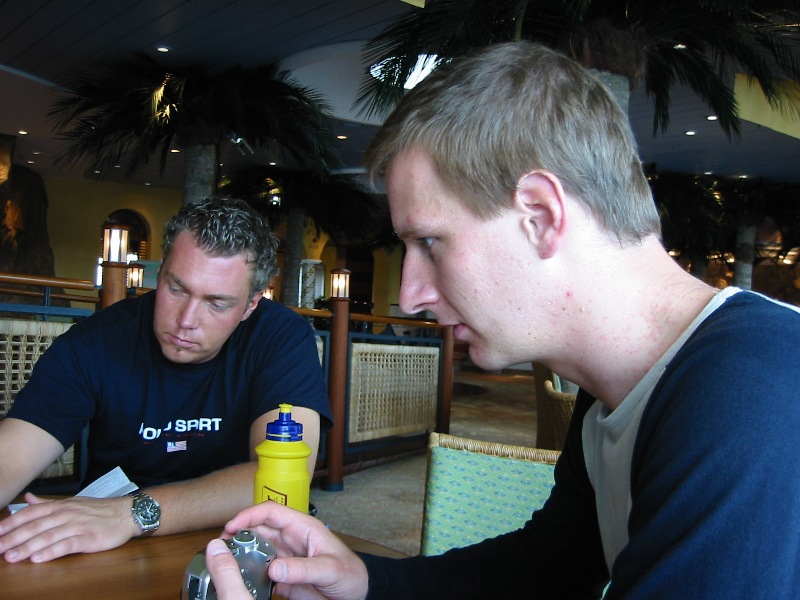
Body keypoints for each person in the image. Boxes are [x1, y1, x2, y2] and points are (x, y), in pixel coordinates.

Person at [203, 41, 800, 599]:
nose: (411, 295)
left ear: (539, 215)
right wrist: (367, 582)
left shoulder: (746, 398)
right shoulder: (617, 390)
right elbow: (546, 569)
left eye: (430, 242)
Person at [0, 197, 332, 563]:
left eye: (217, 304)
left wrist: (131, 514)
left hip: (241, 542)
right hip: (113, 547)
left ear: (251, 304)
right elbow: (11, 457)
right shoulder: (95, 342)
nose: (186, 320)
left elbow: (284, 478)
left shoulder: (281, 338)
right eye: (177, 289)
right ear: (160, 274)